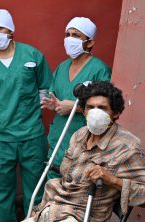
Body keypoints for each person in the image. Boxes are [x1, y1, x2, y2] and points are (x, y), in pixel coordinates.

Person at [19, 81, 145, 222]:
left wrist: (112, 180)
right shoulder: (79, 135)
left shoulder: (126, 147)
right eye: (90, 107)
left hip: (80, 218)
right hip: (53, 209)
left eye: (102, 108)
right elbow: (66, 179)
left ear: (116, 113)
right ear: (84, 111)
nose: (95, 112)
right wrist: (39, 210)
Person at [0, 9, 53, 222]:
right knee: (0, 190)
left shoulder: (32, 56)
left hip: (32, 134)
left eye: (0, 28)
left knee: (37, 188)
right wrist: (0, 116)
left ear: (11, 30)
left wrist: (28, 114)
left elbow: (44, 89)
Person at [41, 17, 111, 179]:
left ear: (89, 42)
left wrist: (75, 107)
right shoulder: (62, 67)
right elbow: (57, 95)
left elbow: (105, 109)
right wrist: (55, 104)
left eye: (76, 35)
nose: (70, 39)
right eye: (67, 34)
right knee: (52, 185)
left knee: (75, 189)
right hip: (59, 138)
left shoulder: (99, 70)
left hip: (83, 141)